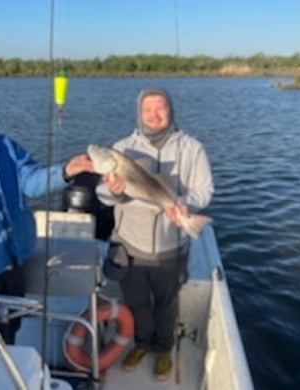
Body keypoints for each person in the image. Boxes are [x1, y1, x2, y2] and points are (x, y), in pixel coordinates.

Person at [0, 54, 93, 344]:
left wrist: (66, 170)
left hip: (13, 265)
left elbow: (32, 181)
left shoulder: (2, 145)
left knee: (9, 339)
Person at [95, 88, 214, 381]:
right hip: (130, 245)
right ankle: (142, 343)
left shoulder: (192, 148)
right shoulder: (121, 149)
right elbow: (101, 194)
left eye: (160, 108)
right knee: (137, 302)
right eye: (147, 110)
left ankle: (163, 348)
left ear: (171, 110)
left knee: (166, 303)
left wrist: (187, 204)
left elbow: (204, 190)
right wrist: (112, 191)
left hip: (170, 247)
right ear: (139, 114)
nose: (154, 115)